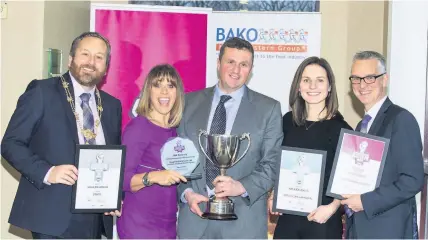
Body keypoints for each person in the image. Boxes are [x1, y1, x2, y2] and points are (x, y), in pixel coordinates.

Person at [1, 32, 122, 239]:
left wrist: (112, 196)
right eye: (85, 54)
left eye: (99, 57)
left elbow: (112, 159)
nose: (91, 62)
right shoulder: (42, 92)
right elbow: (10, 144)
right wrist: (48, 172)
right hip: (52, 216)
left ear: (105, 67)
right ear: (70, 60)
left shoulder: (112, 106)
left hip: (93, 217)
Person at [176, 37, 283, 238]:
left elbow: (272, 165)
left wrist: (241, 186)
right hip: (194, 222)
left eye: (244, 64)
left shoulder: (268, 110)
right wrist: (187, 193)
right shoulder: (188, 103)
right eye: (230, 62)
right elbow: (178, 161)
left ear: (250, 70)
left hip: (243, 225)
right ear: (218, 64)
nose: (236, 70)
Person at [342, 51, 424, 238]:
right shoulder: (360, 126)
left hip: (387, 230)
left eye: (370, 78)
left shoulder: (401, 119)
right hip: (360, 228)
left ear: (384, 79)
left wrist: (366, 201)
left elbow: (412, 180)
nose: (362, 85)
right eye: (356, 79)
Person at [269, 56, 352, 239]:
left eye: (320, 80)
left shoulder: (342, 130)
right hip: (288, 220)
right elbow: (278, 165)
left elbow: (348, 179)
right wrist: (274, 194)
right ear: (298, 86)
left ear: (329, 87)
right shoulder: (287, 122)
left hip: (322, 220)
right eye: (306, 80)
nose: (312, 86)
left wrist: (332, 207)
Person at [117, 64, 187, 239]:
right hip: (139, 226)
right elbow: (122, 180)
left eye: (170, 86)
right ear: (148, 91)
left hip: (168, 226)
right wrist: (154, 177)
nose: (164, 92)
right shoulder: (139, 127)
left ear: (177, 92)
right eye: (157, 85)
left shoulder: (176, 131)